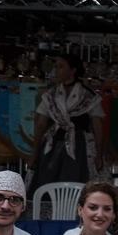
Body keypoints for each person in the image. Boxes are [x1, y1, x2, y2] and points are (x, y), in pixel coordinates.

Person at [29, 53, 101, 197]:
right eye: (55, 67)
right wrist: (35, 153)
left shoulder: (88, 96)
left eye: (61, 67)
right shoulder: (51, 95)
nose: (56, 70)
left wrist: (99, 154)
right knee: (46, 181)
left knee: (75, 183)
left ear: (73, 70)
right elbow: (40, 125)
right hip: (53, 145)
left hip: (80, 146)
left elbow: (98, 126)